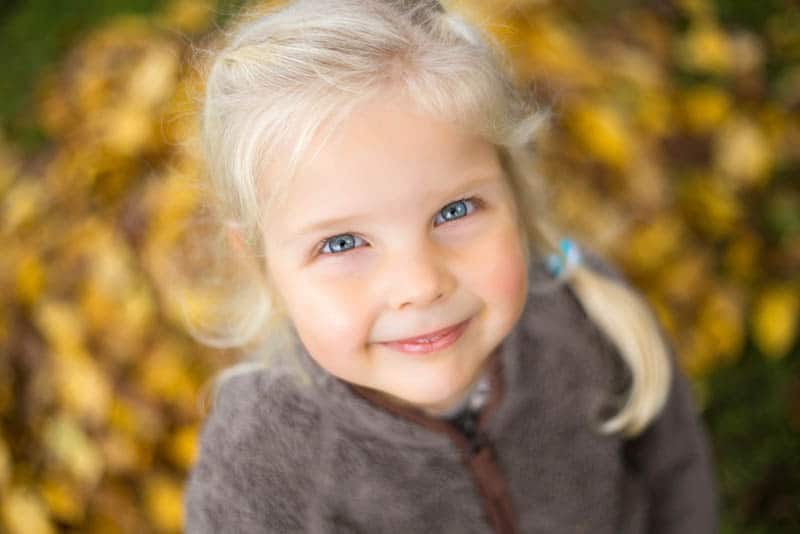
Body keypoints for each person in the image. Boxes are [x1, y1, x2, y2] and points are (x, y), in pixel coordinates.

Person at [182, 0, 718, 532]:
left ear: (513, 192)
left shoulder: (583, 309)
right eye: (343, 243)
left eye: (454, 211)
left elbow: (675, 477)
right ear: (262, 266)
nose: (420, 285)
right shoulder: (258, 459)